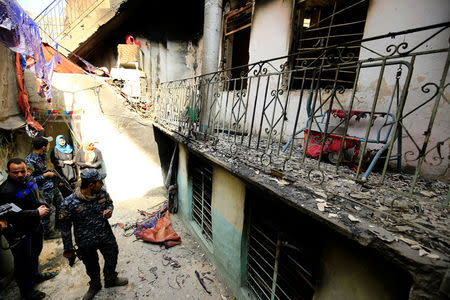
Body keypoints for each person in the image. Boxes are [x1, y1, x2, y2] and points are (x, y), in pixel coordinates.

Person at [59, 168, 128, 300]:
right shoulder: (69, 203)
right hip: (85, 241)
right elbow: (65, 228)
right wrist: (68, 249)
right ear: (91, 185)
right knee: (91, 265)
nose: (102, 184)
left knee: (112, 255)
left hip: (105, 235)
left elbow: (109, 203)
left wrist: (109, 210)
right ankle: (95, 285)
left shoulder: (102, 193)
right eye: (99, 182)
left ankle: (110, 279)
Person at [0, 158, 58, 299]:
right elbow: (11, 214)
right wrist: (36, 213)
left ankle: (36, 276)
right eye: (15, 172)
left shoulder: (28, 180)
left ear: (27, 170)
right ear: (8, 172)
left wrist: (43, 205)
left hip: (34, 225)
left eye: (22, 171)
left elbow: (35, 197)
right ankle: (26, 291)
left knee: (35, 253)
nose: (20, 174)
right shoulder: (5, 191)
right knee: (22, 262)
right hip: (19, 232)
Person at [25, 136, 64, 239]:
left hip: (52, 187)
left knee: (62, 205)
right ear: (43, 147)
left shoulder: (42, 155)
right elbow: (29, 180)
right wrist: (45, 176)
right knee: (47, 211)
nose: (49, 146)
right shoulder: (30, 161)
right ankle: (48, 233)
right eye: (48, 145)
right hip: (43, 191)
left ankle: (59, 227)